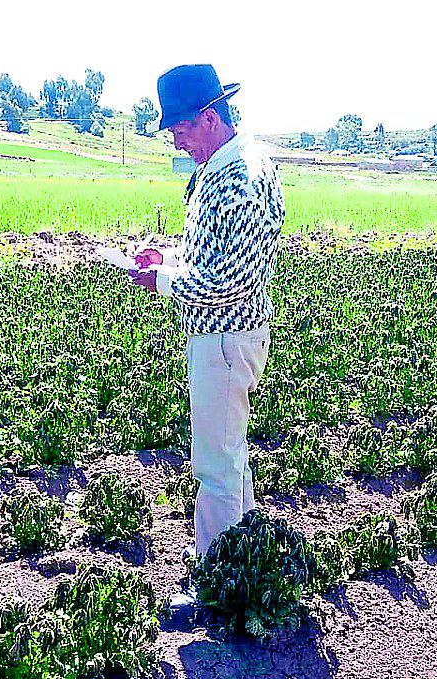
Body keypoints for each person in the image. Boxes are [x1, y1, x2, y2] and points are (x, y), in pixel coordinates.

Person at [127, 64, 285, 560]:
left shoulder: (239, 178)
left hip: (225, 335)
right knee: (228, 454)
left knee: (215, 464)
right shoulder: (228, 165)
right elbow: (217, 253)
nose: (177, 142)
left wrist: (162, 280)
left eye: (181, 128)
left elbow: (228, 281)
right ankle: (243, 562)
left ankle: (215, 580)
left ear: (211, 116)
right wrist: (169, 260)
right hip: (228, 335)